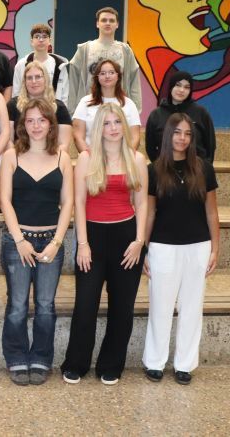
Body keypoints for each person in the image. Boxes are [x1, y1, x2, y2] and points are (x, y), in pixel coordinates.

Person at [61, 103, 148, 386]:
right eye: (107, 123)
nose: (113, 128)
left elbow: (142, 203)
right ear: (99, 128)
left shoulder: (137, 159)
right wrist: (83, 244)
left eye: (117, 122)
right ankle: (76, 363)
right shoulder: (86, 159)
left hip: (126, 240)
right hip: (93, 239)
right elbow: (79, 203)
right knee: (85, 306)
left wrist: (139, 241)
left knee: (122, 308)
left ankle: (111, 364)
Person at [0, 99, 73, 386]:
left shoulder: (62, 157)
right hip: (17, 243)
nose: (36, 126)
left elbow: (67, 203)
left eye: (42, 120)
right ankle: (16, 356)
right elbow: (4, 200)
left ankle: (41, 357)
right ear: (22, 125)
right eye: (30, 120)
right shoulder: (11, 156)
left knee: (45, 305)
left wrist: (56, 242)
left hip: (50, 241)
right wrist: (19, 240)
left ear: (51, 124)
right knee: (17, 304)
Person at [142, 113, 220, 386]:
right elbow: (149, 213)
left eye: (187, 133)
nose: (182, 138)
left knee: (191, 307)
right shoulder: (154, 170)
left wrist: (215, 248)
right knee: (160, 307)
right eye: (177, 132)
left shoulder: (204, 168)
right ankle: (155, 362)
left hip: (198, 246)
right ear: (168, 135)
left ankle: (184, 364)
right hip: (162, 247)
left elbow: (211, 212)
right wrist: (144, 249)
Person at [67, 7, 142, 112]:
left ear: (117, 24)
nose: (108, 23)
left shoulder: (126, 51)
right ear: (97, 24)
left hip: (119, 109)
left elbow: (134, 83)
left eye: (111, 20)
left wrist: (135, 110)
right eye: (103, 20)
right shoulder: (84, 49)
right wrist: (72, 111)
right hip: (89, 108)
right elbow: (73, 83)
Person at [145, 71, 216, 162]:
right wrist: (160, 166)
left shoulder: (201, 113)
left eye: (186, 87)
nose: (182, 90)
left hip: (197, 167)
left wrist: (206, 166)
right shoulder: (156, 115)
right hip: (165, 167)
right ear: (171, 87)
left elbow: (210, 145)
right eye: (178, 85)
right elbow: (150, 147)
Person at [72, 60, 141, 153]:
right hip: (92, 157)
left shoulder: (129, 104)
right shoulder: (85, 102)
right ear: (97, 77)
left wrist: (126, 157)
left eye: (111, 72)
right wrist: (90, 157)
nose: (107, 76)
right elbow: (78, 136)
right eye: (103, 73)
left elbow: (135, 137)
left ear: (118, 76)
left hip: (123, 158)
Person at [8, 61, 73, 153]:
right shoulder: (12, 105)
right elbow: (8, 141)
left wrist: (47, 159)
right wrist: (17, 158)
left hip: (51, 157)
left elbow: (63, 145)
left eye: (38, 77)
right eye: (29, 78)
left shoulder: (59, 108)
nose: (34, 81)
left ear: (46, 79)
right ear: (24, 82)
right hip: (19, 155)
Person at [12, 23, 69, 105]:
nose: (41, 40)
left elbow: (64, 96)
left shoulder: (60, 66)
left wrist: (60, 111)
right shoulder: (21, 65)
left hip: (53, 110)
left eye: (44, 36)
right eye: (37, 36)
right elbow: (16, 93)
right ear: (32, 41)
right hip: (27, 110)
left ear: (50, 41)